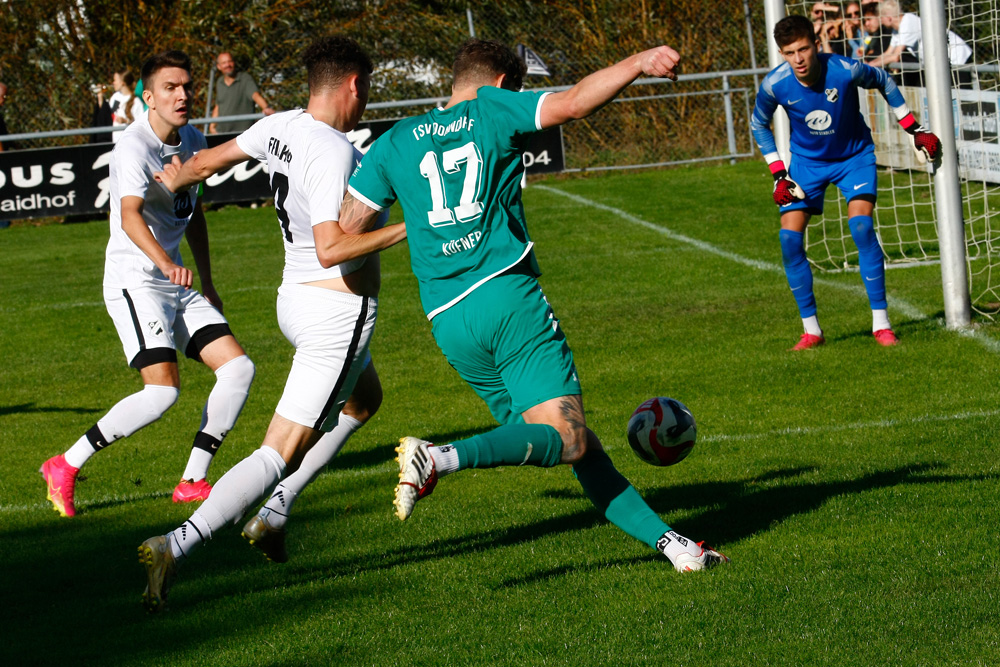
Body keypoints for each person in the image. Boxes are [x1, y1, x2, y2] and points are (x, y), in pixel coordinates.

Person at [342, 39, 729, 574]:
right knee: (566, 439)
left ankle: (676, 548)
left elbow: (344, 234)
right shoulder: (492, 105)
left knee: (573, 444)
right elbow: (572, 102)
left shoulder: (396, 140)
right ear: (501, 83)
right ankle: (439, 457)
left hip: (448, 322)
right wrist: (638, 63)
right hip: (507, 298)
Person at [139, 36, 406, 612]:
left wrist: (167, 184)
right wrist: (411, 229)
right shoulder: (334, 151)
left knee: (364, 401)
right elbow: (335, 248)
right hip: (336, 313)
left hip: (292, 299)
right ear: (353, 85)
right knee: (278, 450)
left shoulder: (279, 125)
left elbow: (208, 162)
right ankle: (175, 544)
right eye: (367, 91)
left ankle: (274, 516)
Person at [39, 51, 256, 518]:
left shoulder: (193, 138)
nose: (182, 95)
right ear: (148, 96)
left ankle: (192, 481)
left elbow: (192, 213)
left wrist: (209, 282)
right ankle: (65, 464)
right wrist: (166, 264)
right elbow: (129, 216)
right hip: (135, 280)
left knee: (238, 370)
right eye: (170, 88)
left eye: (187, 87)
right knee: (162, 392)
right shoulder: (132, 146)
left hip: (175, 280)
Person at [750, 14, 942, 350]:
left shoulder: (844, 69)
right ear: (782, 53)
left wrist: (915, 129)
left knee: (861, 228)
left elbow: (883, 80)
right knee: (788, 240)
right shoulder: (774, 85)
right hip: (807, 165)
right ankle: (812, 330)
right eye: (790, 52)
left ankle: (881, 324)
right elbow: (758, 125)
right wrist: (779, 173)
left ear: (816, 45)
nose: (798, 59)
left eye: (804, 49)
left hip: (854, 158)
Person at [869, 0, 973, 87]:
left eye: (880, 18)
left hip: (957, 57)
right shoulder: (897, 30)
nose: (880, 22)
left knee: (961, 95)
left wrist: (870, 66)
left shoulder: (908, 22)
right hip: (943, 61)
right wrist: (869, 64)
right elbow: (888, 53)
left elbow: (895, 56)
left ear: (888, 17)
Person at [208, 52, 274, 134]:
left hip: (243, 133)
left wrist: (266, 107)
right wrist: (212, 126)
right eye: (224, 63)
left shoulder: (245, 79)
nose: (228, 65)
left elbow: (255, 96)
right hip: (223, 132)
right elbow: (219, 105)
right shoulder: (219, 82)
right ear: (219, 66)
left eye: (230, 61)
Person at [108, 70, 145, 143]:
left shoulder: (136, 102)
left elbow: (141, 125)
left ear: (122, 83)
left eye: (115, 80)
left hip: (129, 142)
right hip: (115, 141)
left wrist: (125, 121)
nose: (113, 83)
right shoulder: (115, 97)